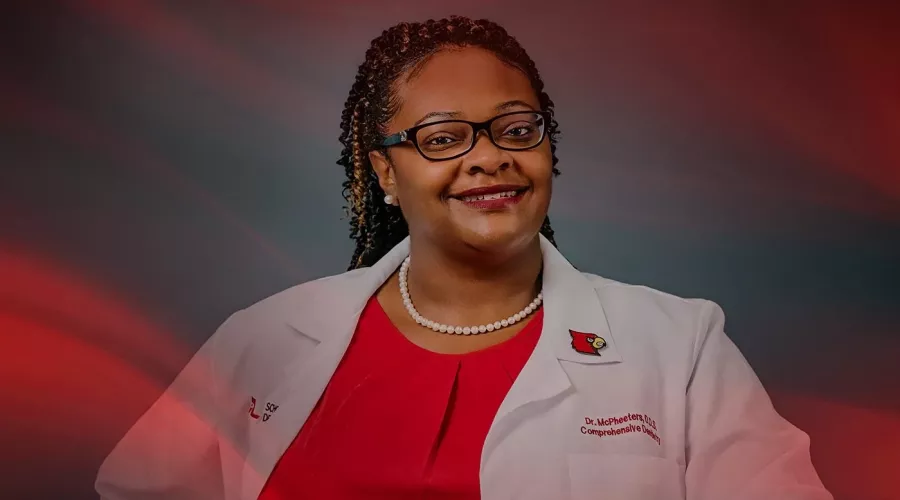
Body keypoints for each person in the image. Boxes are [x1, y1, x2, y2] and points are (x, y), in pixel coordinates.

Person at [95, 15, 832, 500]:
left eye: (516, 128)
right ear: (384, 173)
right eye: (443, 139)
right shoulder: (264, 337)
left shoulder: (680, 346)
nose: (489, 160)